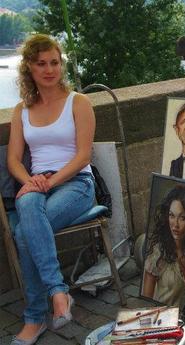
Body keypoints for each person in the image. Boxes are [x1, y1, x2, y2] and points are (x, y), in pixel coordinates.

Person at [7, 34, 96, 345]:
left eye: (54, 62)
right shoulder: (22, 110)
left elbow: (84, 155)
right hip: (37, 185)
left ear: (61, 65)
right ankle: (58, 292)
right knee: (29, 208)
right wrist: (31, 181)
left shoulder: (79, 102)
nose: (49, 69)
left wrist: (47, 181)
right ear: (30, 68)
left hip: (76, 183)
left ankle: (34, 317)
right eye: (41, 63)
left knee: (23, 233)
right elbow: (13, 161)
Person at [142, 185, 185, 307]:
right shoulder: (158, 253)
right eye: (172, 216)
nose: (175, 225)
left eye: (182, 218)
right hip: (164, 320)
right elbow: (145, 302)